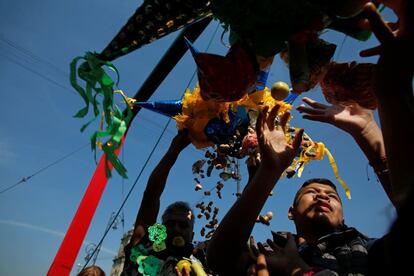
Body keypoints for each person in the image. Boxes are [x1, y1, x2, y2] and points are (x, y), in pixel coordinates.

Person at [206, 105, 387, 275]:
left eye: (332, 196)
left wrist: (368, 132)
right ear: (291, 213)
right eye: (312, 193)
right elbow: (220, 258)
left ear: (343, 217)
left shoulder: (367, 249)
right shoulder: (273, 251)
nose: (322, 195)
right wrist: (268, 173)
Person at [121, 131, 207, 275]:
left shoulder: (201, 263)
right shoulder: (144, 250)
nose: (177, 229)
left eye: (183, 225)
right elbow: (151, 194)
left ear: (192, 236)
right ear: (160, 230)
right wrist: (175, 149)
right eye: (170, 224)